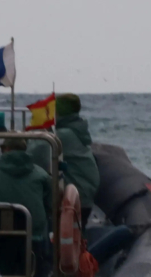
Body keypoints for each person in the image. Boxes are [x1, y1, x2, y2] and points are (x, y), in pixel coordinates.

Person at [0, 137, 53, 277]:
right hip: (34, 235)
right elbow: (51, 205)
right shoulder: (41, 175)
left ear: (6, 150)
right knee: (36, 271)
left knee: (2, 271)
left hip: (2, 236)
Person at [28, 93, 100, 226]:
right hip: (84, 195)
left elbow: (32, 154)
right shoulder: (76, 130)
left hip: (75, 199)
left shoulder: (61, 136)